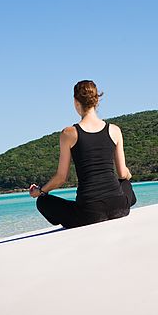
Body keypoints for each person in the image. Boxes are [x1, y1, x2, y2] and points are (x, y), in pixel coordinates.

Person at [30, 80, 137, 229]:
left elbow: (61, 178)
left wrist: (40, 191)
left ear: (75, 102)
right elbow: (122, 173)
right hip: (119, 207)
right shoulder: (114, 130)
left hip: (90, 213)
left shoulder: (68, 133)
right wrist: (128, 175)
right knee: (125, 183)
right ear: (97, 100)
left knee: (43, 201)